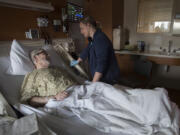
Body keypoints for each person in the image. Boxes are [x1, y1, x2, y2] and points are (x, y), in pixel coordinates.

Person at [70, 16, 120, 85]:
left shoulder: (100, 39)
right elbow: (87, 50)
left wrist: (93, 84)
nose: (81, 32)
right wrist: (78, 61)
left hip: (108, 79)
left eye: (82, 28)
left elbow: (101, 64)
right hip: (102, 78)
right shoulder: (93, 39)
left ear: (88, 25)